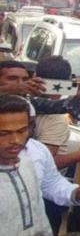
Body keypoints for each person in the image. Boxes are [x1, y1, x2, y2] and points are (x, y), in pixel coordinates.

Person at [0, 95, 53, 235]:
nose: (15, 140)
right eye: (3, 134)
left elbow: (39, 214)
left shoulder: (27, 163)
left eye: (21, 131)